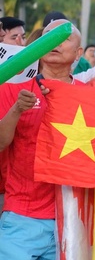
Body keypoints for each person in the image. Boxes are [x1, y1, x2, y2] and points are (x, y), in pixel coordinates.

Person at [0, 19, 84, 260]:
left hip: (73, 220)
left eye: (64, 38)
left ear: (78, 53)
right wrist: (16, 110)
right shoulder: (11, 91)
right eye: (49, 36)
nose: (55, 42)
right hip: (22, 219)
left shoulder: (92, 94)